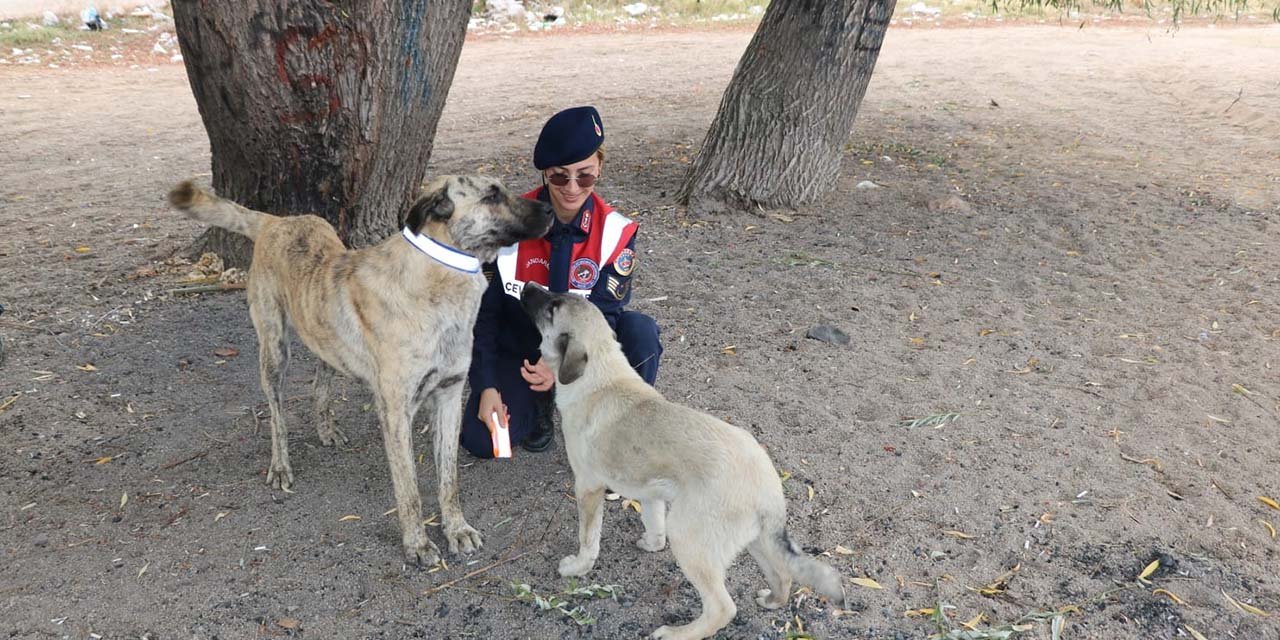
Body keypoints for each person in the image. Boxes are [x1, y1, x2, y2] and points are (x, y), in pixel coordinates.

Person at [460, 106, 662, 457]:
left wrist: (557, 365)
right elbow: (484, 316)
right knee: (482, 442)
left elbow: (604, 316)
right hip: (520, 349)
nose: (571, 189)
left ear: (599, 167)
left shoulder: (615, 231)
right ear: (544, 174)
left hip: (576, 354)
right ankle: (539, 409)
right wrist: (487, 385)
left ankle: (621, 430)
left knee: (640, 333)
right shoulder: (506, 224)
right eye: (559, 177)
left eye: (584, 176)